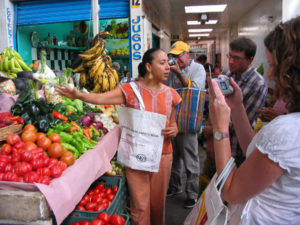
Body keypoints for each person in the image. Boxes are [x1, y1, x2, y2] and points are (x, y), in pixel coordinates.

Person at [56, 48, 181, 225]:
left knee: (158, 205)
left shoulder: (171, 94)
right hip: (136, 156)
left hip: (163, 156)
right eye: (162, 63)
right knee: (140, 207)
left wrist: (174, 129)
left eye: (168, 63)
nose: (168, 67)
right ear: (148, 66)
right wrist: (79, 95)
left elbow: (173, 123)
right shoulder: (130, 90)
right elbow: (101, 99)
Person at [208, 16, 300, 224]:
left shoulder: (288, 131)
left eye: (274, 65)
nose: (270, 73)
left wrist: (220, 129)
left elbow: (230, 191)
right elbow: (255, 149)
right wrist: (237, 106)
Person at [204, 37, 268, 167]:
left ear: (250, 60)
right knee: (210, 183)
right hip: (217, 141)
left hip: (236, 151)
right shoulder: (227, 74)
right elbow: (215, 104)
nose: (231, 61)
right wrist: (211, 141)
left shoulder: (258, 84)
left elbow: (239, 123)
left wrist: (211, 130)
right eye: (230, 56)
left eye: (237, 58)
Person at [165, 41, 206, 208]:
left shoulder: (198, 69)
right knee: (174, 158)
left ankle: (192, 193)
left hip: (188, 120)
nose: (175, 59)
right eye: (173, 56)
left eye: (178, 55)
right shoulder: (171, 70)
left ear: (187, 54)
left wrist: (179, 72)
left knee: (190, 158)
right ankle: (175, 187)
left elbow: (194, 89)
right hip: (173, 119)